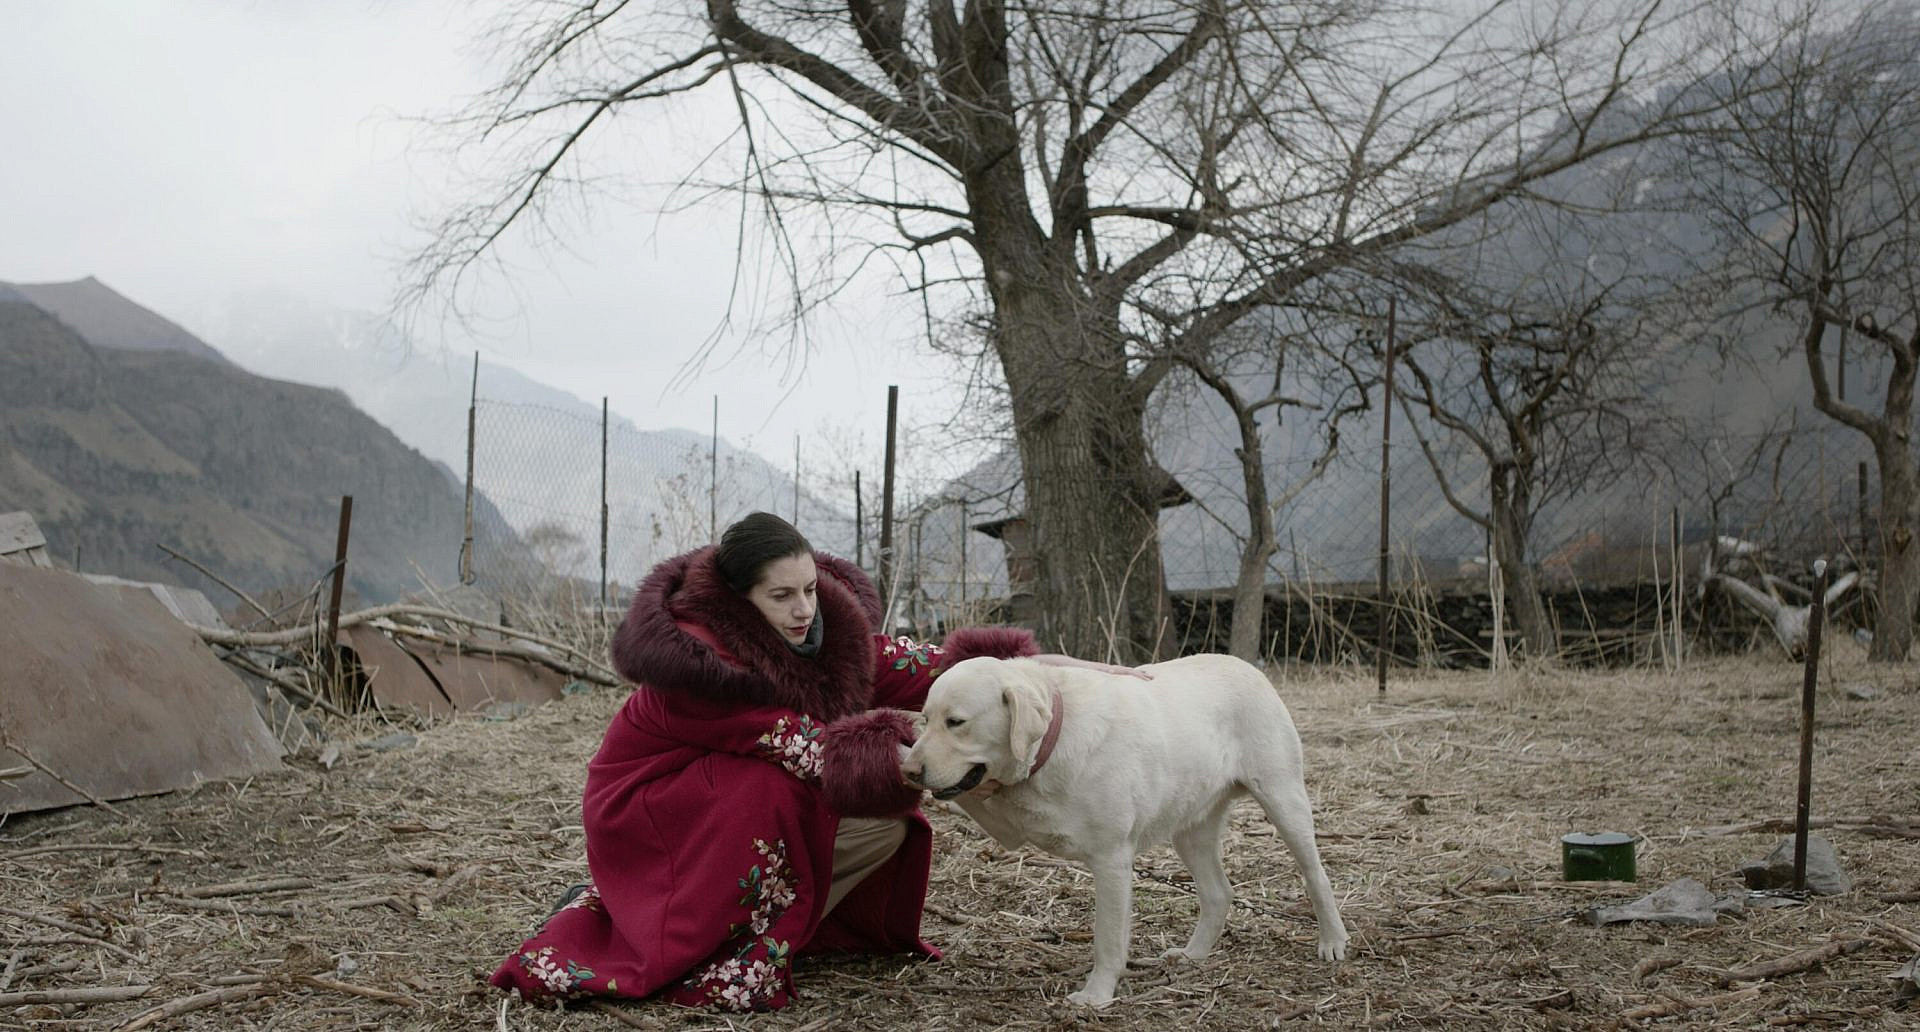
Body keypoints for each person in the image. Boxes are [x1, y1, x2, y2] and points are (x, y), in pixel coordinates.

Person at [489, 512, 1132, 1011]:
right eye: (781, 597)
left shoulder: (821, 626)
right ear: (740, 600)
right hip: (648, 808)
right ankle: (696, 936)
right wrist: (945, 758)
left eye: (809, 590)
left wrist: (1020, 672)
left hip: (720, 798)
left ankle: (769, 929)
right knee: (778, 790)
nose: (803, 611)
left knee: (890, 824)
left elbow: (902, 665)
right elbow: (808, 749)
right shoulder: (702, 670)